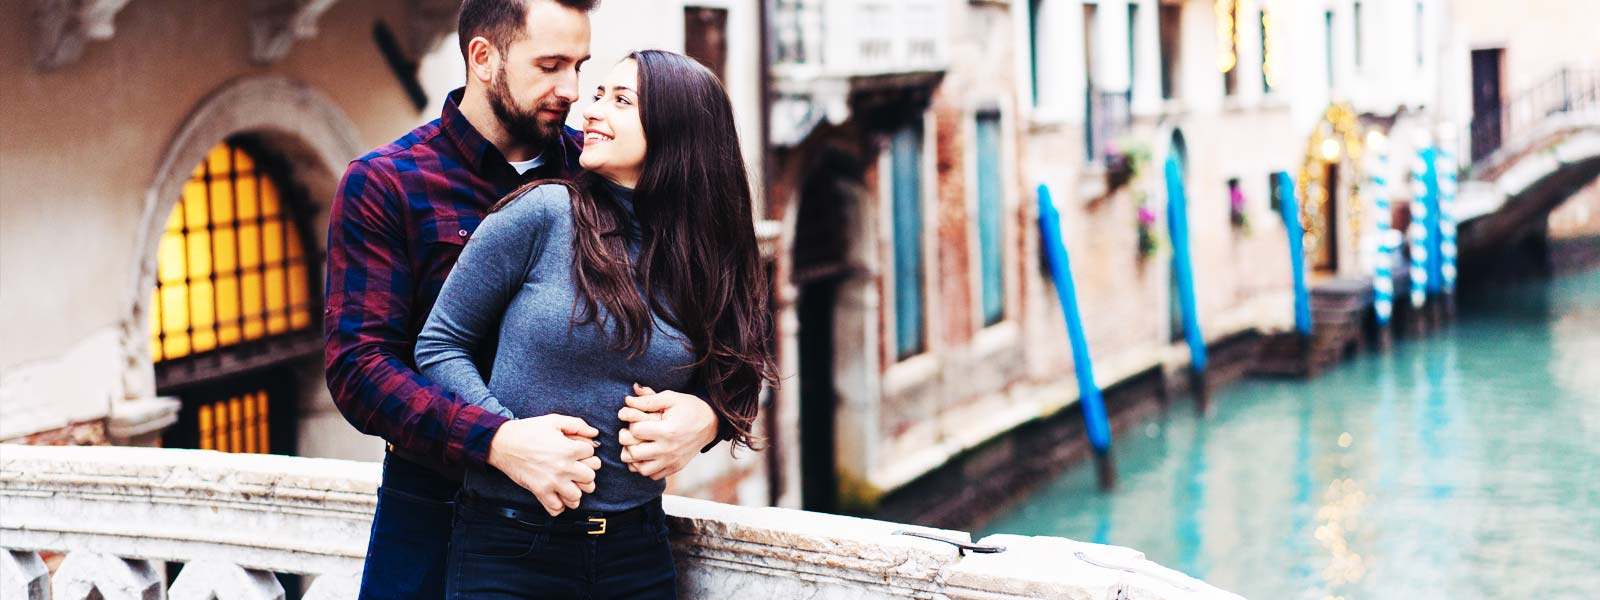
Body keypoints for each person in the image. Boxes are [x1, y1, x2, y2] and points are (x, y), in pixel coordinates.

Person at [323, 2, 726, 598]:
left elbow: (709, 319)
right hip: (434, 513)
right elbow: (361, 370)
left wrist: (707, 417)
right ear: (483, 58)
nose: (572, 90)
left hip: (602, 540)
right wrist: (496, 440)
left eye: (579, 66)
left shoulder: (602, 164)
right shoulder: (387, 183)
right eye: (551, 65)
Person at [414, 49, 776, 599]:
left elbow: (741, 375)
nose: (590, 110)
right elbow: (439, 346)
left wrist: (705, 418)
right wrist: (506, 437)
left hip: (638, 552)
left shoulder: (710, 253)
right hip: (509, 545)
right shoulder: (542, 214)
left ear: (678, 131)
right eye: (599, 94)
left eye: (621, 100)